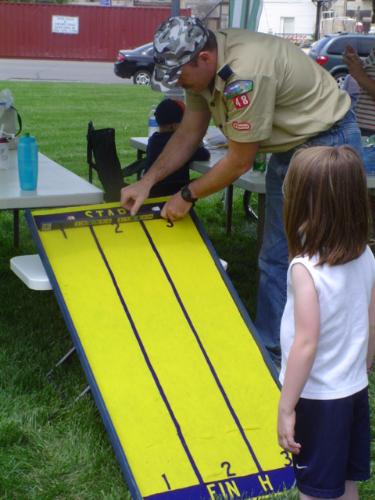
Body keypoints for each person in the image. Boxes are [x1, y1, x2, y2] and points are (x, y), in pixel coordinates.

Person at [120, 16, 363, 365]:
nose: (178, 83)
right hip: (289, 145)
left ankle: (339, 351)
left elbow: (238, 162)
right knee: (278, 253)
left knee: (326, 253)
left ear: (203, 59)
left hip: (328, 139)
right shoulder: (202, 64)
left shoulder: (244, 74)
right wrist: (147, 182)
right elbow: (189, 134)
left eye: (180, 75)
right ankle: (273, 348)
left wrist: (186, 196)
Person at [278, 146, 375, 500]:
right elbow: (371, 314)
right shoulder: (365, 254)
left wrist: (287, 408)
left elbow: (306, 343)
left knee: (316, 490)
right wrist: (363, 363)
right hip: (353, 390)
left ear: (303, 204)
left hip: (317, 398)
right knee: (347, 483)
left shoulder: (306, 269)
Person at [146, 98, 210, 197]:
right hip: (175, 196)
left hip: (152, 193)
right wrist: (197, 139)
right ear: (173, 126)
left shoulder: (153, 140)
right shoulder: (182, 145)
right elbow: (204, 155)